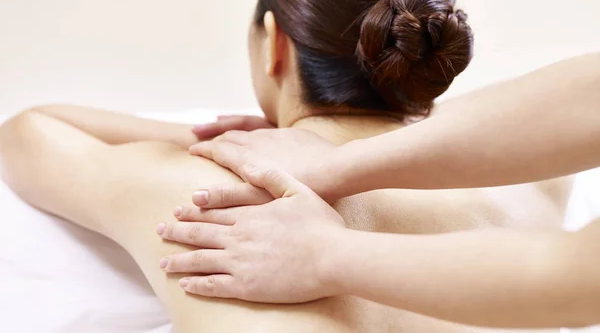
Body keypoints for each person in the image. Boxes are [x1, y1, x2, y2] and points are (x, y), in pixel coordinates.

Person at [0, 0, 570, 333]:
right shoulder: (537, 182)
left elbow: (29, 132)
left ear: (275, 42)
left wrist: (202, 137)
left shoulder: (210, 192)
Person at [162, 52, 600, 329]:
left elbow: (573, 277)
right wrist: (335, 162)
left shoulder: (195, 185)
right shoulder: (540, 187)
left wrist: (325, 254)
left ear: (275, 42)